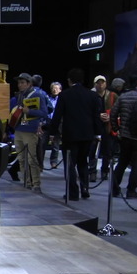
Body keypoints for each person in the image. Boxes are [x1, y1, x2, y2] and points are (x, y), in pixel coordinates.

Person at [47, 68, 102, 200]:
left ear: (69, 80)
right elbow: (96, 116)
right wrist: (97, 134)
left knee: (70, 164)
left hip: (70, 135)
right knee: (83, 162)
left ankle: (73, 192)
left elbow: (57, 116)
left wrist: (52, 133)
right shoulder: (92, 95)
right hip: (87, 134)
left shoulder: (64, 95)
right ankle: (85, 188)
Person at [9, 73, 49, 193]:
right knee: (21, 159)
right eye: (19, 83)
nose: (19, 85)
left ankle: (36, 184)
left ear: (29, 83)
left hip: (30, 131)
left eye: (22, 83)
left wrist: (29, 111)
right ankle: (26, 182)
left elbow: (44, 113)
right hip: (18, 129)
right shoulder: (18, 96)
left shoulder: (38, 95)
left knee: (32, 159)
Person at [88, 75, 116, 182]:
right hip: (94, 127)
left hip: (108, 127)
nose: (100, 85)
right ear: (94, 84)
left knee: (107, 151)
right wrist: (98, 115)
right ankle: (92, 171)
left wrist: (110, 117)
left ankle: (105, 171)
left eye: (102, 83)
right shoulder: (90, 95)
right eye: (98, 83)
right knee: (93, 150)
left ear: (106, 84)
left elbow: (118, 109)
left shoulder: (112, 95)